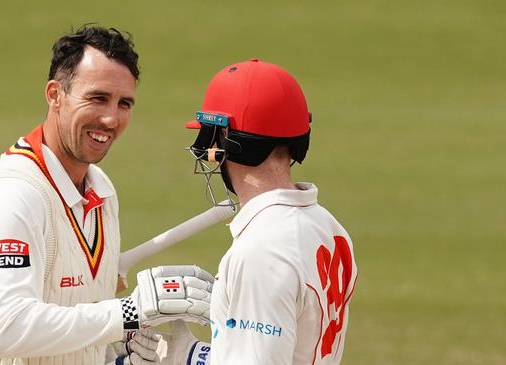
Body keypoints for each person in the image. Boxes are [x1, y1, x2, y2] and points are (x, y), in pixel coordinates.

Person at [0, 25, 214, 365]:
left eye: (125, 103)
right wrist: (129, 312)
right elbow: (6, 329)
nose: (111, 118)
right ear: (55, 95)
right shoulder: (12, 198)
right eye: (97, 98)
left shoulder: (101, 191)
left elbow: (79, 318)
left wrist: (118, 354)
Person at [132, 59, 358, 364]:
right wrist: (201, 355)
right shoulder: (328, 226)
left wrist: (187, 360)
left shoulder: (261, 253)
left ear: (229, 140)